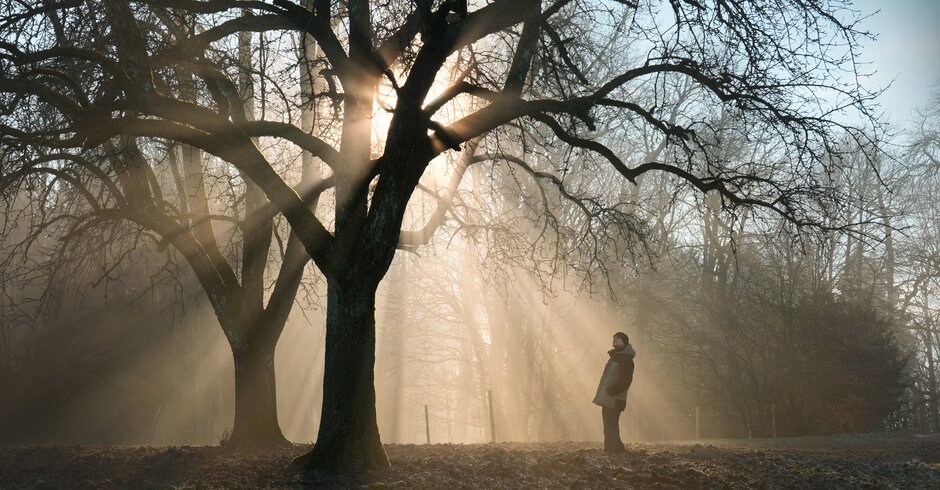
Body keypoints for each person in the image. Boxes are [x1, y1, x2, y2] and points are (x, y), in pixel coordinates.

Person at [593, 331, 635, 453]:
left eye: (618, 338)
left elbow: (626, 380)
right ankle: (618, 450)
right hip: (609, 398)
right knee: (610, 426)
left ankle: (609, 452)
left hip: (615, 398)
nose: (614, 339)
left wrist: (612, 390)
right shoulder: (615, 358)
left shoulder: (625, 360)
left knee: (610, 427)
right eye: (614, 338)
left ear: (624, 342)